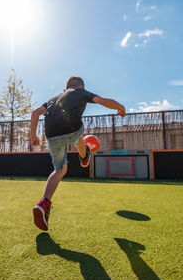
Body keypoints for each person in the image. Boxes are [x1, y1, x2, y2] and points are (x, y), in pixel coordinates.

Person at [29, 76, 125, 231]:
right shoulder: (81, 92)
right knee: (77, 133)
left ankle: (43, 203)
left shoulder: (53, 99)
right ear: (81, 86)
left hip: (52, 135)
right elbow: (102, 100)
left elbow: (35, 113)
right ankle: (84, 154)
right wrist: (120, 107)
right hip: (72, 129)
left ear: (64, 89)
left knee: (59, 170)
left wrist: (33, 136)